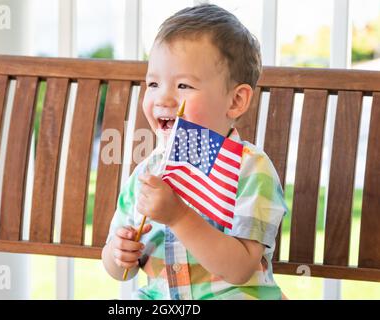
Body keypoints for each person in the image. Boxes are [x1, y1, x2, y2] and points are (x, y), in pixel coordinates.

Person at [101, 3, 288, 300]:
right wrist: (118, 254)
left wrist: (178, 216)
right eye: (153, 83)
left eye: (184, 84)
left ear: (236, 101)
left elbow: (240, 269)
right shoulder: (148, 175)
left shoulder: (250, 171)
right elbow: (120, 270)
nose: (163, 96)